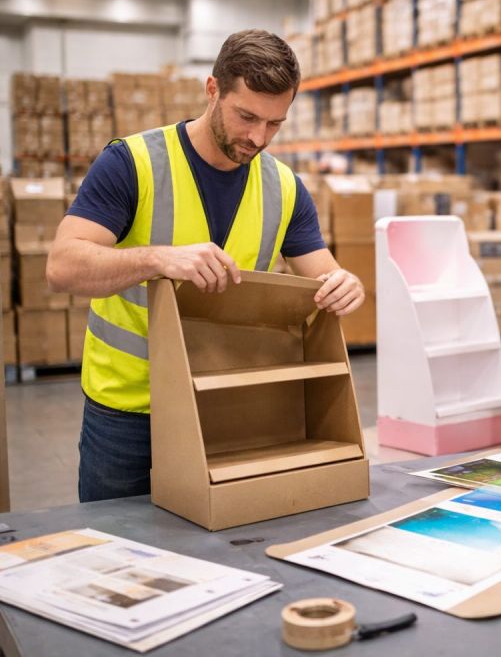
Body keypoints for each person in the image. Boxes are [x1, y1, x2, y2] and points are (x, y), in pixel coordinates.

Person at [47, 29, 365, 503]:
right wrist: (157, 257)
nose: (258, 137)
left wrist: (346, 284)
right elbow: (62, 266)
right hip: (129, 412)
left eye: (275, 124)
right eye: (247, 117)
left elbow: (325, 275)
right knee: (117, 539)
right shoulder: (132, 163)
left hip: (225, 403)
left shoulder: (284, 187)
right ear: (212, 89)